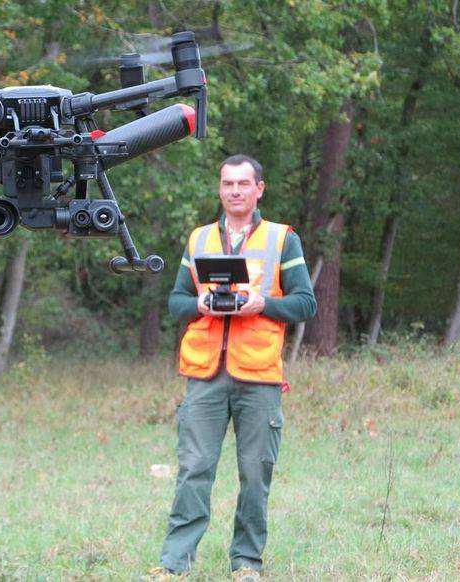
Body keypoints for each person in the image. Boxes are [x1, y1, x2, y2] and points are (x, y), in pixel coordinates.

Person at [144, 155, 317, 581]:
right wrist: (199, 304)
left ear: (260, 189)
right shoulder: (200, 239)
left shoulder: (282, 239)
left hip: (258, 377)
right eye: (227, 183)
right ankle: (174, 564)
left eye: (243, 183)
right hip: (204, 376)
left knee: (255, 474)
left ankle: (246, 563)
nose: (234, 191)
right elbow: (175, 302)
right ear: (220, 189)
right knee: (193, 470)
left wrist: (264, 304)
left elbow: (305, 303)